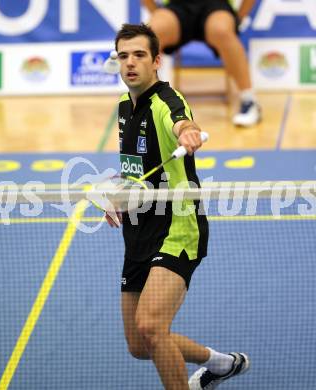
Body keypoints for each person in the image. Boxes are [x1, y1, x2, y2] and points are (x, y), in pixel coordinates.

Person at [107, 23, 250, 389]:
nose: (131, 63)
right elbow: (135, 171)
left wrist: (187, 131)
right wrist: (118, 197)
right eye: (124, 55)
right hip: (138, 231)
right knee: (139, 345)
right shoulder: (125, 107)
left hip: (177, 228)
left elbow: (181, 120)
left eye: (139, 55)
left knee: (152, 326)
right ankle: (220, 364)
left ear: (156, 61)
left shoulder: (166, 101)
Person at [141, 0, 261, 127]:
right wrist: (156, 13)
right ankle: (147, 102)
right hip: (177, 6)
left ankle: (249, 100)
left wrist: (238, 18)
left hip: (217, 6)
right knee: (152, 32)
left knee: (222, 30)